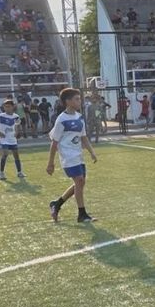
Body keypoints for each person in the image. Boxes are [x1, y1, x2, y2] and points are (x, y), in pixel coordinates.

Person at [47, 88, 98, 223]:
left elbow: (84, 137)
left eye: (79, 98)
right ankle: (82, 214)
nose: (79, 101)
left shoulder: (79, 117)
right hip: (68, 157)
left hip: (78, 156)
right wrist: (50, 163)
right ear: (68, 102)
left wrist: (92, 152)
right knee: (79, 181)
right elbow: (54, 143)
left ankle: (57, 204)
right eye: (76, 99)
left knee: (80, 183)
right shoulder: (61, 119)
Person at [0, 99, 25, 180]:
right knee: (5, 154)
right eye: (5, 107)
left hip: (12, 139)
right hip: (4, 139)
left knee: (16, 156)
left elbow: (17, 124)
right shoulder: (1, 116)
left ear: (13, 107)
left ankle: (19, 172)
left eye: (8, 107)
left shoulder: (16, 116)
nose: (7, 108)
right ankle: (1, 173)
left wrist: (17, 132)